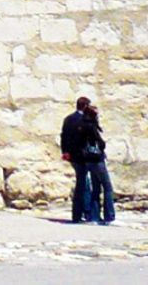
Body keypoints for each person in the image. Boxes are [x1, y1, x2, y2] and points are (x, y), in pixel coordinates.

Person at [80, 106, 116, 224]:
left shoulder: (81, 125)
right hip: (97, 159)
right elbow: (100, 142)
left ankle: (95, 216)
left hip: (88, 160)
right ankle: (109, 216)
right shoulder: (91, 126)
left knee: (95, 188)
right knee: (107, 188)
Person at [59, 95, 93, 223]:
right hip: (83, 156)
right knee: (84, 184)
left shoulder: (68, 119)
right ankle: (86, 212)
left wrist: (65, 152)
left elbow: (63, 137)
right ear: (85, 106)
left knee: (82, 182)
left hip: (73, 156)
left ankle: (78, 213)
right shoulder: (85, 120)